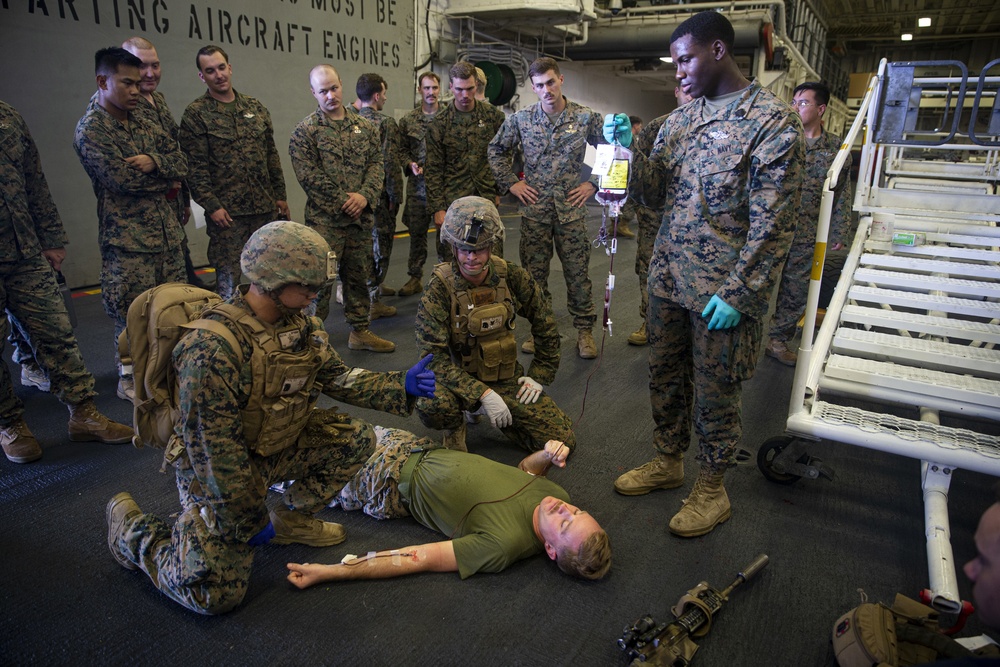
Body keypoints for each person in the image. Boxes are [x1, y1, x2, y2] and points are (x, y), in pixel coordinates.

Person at [104, 221, 437, 615]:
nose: (314, 297)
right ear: (268, 281)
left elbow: (338, 378)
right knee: (212, 595)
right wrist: (247, 517)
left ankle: (290, 519)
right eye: (306, 288)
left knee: (356, 439)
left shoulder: (301, 325)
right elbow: (213, 453)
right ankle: (132, 531)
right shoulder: (210, 349)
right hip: (217, 472)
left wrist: (402, 384)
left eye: (317, 287)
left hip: (274, 445)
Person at [611, 11, 803, 537]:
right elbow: (650, 196)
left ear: (718, 51)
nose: (678, 72)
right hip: (670, 281)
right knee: (665, 378)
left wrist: (741, 293)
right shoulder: (681, 120)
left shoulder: (771, 122)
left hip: (722, 291)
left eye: (686, 59)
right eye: (675, 62)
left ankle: (712, 486)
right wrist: (628, 150)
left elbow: (775, 224)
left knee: (716, 390)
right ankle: (668, 461)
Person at [286, 426, 611, 585]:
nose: (566, 510)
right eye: (579, 512)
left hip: (378, 482)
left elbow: (417, 558)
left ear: (551, 550)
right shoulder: (558, 497)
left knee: (274, 468)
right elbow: (525, 473)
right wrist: (546, 455)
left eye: (566, 523)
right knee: (295, 428)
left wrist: (333, 571)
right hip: (406, 444)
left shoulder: (502, 545)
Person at [0, 100, 134, 463]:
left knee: (56, 331)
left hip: (24, 248)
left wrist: (51, 236)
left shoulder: (8, 117)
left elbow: (34, 181)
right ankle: (10, 423)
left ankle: (83, 413)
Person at [73, 47, 190, 402]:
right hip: (127, 240)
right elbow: (122, 181)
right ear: (102, 81)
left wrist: (155, 161)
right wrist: (165, 179)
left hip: (167, 235)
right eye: (128, 83)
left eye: (139, 83)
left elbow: (182, 161)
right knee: (131, 313)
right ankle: (129, 377)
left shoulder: (144, 119)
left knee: (173, 308)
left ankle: (169, 371)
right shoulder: (91, 130)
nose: (137, 91)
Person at [415, 197, 575, 453]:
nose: (471, 257)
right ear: (453, 248)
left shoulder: (510, 276)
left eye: (479, 249)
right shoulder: (439, 289)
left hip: (501, 375)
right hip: (456, 382)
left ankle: (504, 417)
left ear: (491, 247)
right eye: (463, 249)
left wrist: (538, 375)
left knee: (560, 441)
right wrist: (481, 394)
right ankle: (456, 424)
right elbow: (432, 359)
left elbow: (545, 323)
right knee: (432, 404)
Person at [488, 57, 609, 360]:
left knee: (578, 275)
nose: (547, 90)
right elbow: (496, 150)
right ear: (533, 87)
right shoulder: (521, 119)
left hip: (571, 212)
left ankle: (584, 332)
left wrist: (593, 184)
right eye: (540, 85)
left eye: (551, 82)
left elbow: (612, 151)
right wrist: (511, 184)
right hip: (535, 212)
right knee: (533, 277)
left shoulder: (585, 118)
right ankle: (539, 331)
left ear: (561, 80)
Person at [288, 64, 395, 353]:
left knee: (358, 276)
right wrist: (344, 202)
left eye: (334, 88)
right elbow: (308, 176)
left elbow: (376, 166)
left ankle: (360, 332)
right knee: (319, 282)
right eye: (323, 91)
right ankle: (312, 336)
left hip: (360, 219)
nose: (330, 95)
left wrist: (364, 197)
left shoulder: (366, 128)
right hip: (326, 223)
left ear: (341, 85)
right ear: (314, 92)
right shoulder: (305, 132)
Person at [179, 45, 289, 301]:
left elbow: (271, 156)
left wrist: (280, 196)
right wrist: (212, 206)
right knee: (229, 281)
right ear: (201, 76)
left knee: (268, 276)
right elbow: (195, 168)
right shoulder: (196, 114)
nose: (218, 75)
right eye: (210, 71)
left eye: (221, 67)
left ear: (230, 68)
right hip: (227, 216)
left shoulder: (255, 108)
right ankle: (228, 331)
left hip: (263, 208)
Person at [765, 81, 853, 366]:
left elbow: (842, 193)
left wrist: (839, 231)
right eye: (793, 102)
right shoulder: (780, 139)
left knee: (796, 289)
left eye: (803, 103)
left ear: (821, 109)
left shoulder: (837, 149)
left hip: (807, 232)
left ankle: (778, 341)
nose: (796, 107)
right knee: (758, 282)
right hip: (772, 228)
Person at [122, 36, 207, 290]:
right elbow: (134, 169)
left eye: (155, 65)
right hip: (142, 221)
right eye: (141, 66)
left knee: (179, 282)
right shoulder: (124, 107)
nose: (150, 73)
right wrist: (167, 167)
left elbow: (179, 155)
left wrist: (183, 196)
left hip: (170, 208)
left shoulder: (158, 100)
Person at [626, 87, 694, 347]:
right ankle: (650, 321)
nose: (690, 96)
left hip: (691, 220)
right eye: (685, 91)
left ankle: (685, 326)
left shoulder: (713, 127)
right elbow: (639, 167)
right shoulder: (657, 127)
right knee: (648, 267)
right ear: (677, 92)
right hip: (655, 217)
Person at [425, 61, 506, 264]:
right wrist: (438, 208)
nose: (465, 95)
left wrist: (498, 189)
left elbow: (504, 155)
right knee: (451, 261)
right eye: (459, 89)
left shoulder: (493, 117)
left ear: (476, 85)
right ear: (451, 87)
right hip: (452, 203)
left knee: (491, 258)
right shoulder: (439, 124)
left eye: (470, 88)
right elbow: (433, 168)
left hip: (485, 198)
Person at [355, 73, 404, 317]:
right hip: (381, 196)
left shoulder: (350, 121)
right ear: (376, 95)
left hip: (357, 197)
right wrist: (396, 196)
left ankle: (367, 290)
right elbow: (390, 163)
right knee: (381, 246)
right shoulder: (385, 124)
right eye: (384, 93)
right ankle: (373, 301)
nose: (385, 97)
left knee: (363, 246)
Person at [396, 72, 441, 297]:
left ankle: (448, 276)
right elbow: (401, 150)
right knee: (417, 234)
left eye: (434, 87)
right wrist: (410, 164)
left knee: (446, 234)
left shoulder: (448, 118)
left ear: (440, 89)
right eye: (426, 88)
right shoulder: (408, 120)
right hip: (417, 187)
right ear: (419, 90)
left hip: (443, 188)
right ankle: (415, 277)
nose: (431, 92)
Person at [614, 114, 644, 241]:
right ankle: (622, 225)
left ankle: (614, 225)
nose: (640, 129)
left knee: (616, 199)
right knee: (629, 200)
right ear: (635, 126)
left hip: (618, 172)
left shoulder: (621, 137)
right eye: (640, 126)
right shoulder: (631, 139)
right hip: (627, 173)